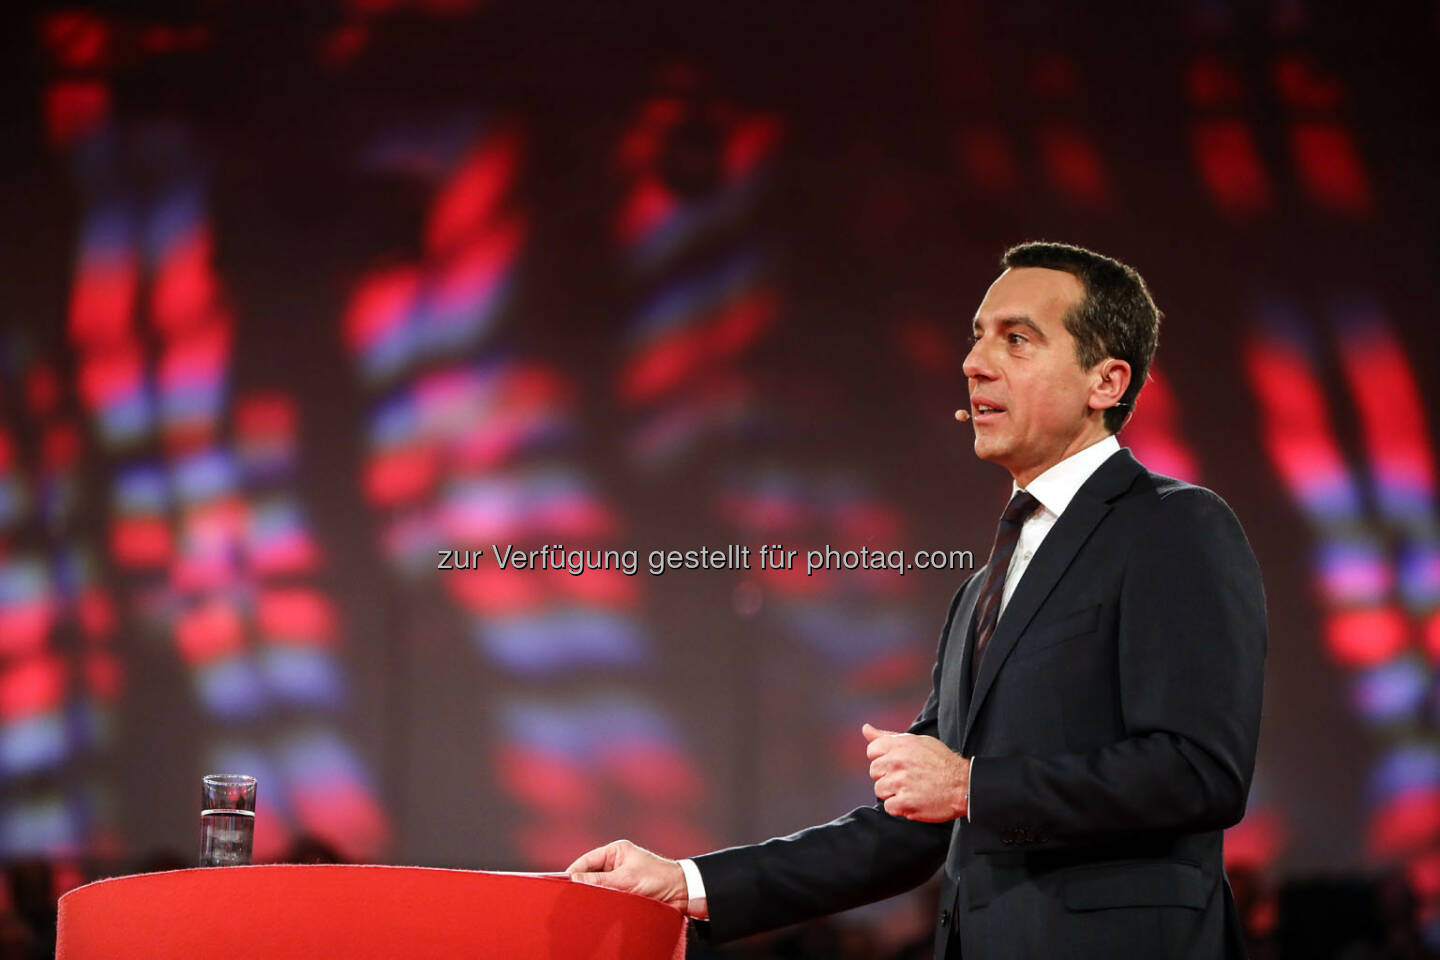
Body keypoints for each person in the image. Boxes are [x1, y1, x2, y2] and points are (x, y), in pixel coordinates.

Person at [567, 241, 1267, 959]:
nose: (973, 363)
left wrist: (975, 787)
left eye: (1017, 339)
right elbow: (910, 828)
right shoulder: (977, 594)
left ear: (1106, 381)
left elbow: (1197, 770)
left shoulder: (1173, 526)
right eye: (977, 336)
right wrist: (687, 881)